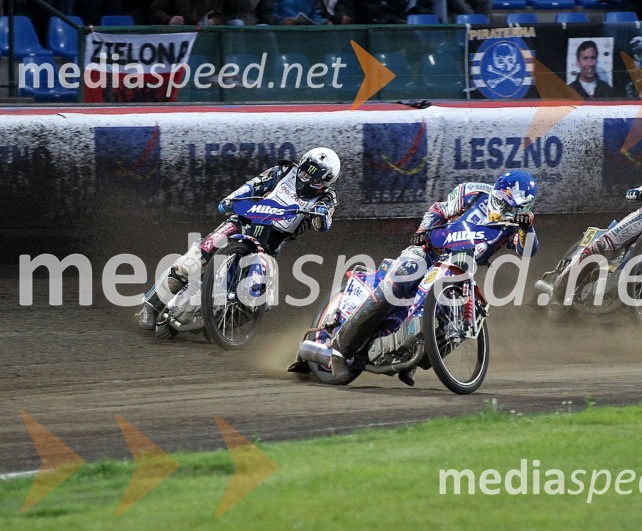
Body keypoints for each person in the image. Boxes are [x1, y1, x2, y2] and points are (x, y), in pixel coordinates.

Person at [328, 170, 540, 385]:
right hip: (427, 252)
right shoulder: (473, 192)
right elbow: (438, 209)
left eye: (514, 208)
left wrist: (527, 227)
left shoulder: (514, 227)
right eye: (504, 203)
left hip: (460, 269)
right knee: (399, 283)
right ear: (496, 193)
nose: (506, 211)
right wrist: (424, 230)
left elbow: (528, 250)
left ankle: (414, 359)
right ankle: (339, 349)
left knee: (467, 318)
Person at [138, 147, 341, 330]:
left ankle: (215, 326)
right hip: (244, 220)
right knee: (192, 261)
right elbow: (252, 186)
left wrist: (320, 213)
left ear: (324, 183)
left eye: (313, 180)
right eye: (305, 173)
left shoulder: (326, 198)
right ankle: (151, 305)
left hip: (270, 245)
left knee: (257, 299)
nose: (305, 179)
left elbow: (322, 224)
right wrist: (230, 200)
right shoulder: (283, 172)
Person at [150, 0, 225, 25]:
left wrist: (214, 21)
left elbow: (220, 15)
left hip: (205, 36)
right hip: (178, 35)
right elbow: (155, 9)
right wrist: (169, 20)